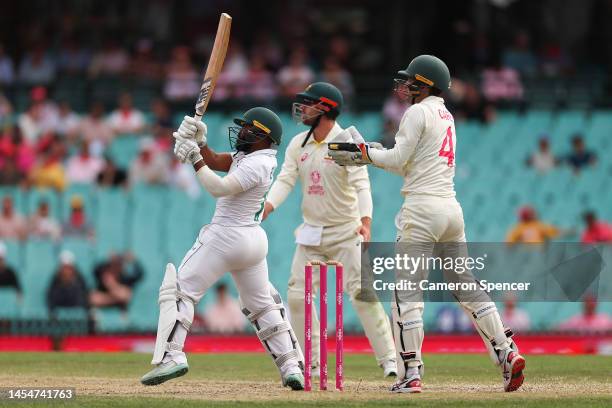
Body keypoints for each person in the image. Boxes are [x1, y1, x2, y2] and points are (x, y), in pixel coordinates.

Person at [328, 55, 525, 393]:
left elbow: (398, 159)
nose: (405, 87)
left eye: (411, 81)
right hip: (451, 209)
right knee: (466, 285)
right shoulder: (445, 115)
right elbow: (409, 164)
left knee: (406, 293)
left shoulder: (415, 112)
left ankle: (411, 373)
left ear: (426, 84)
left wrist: (364, 153)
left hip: (421, 212)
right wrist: (373, 150)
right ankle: (507, 352)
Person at [140, 107, 305, 391]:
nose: (240, 133)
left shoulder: (258, 164)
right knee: (262, 303)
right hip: (252, 242)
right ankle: (292, 367)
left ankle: (172, 355)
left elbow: (218, 187)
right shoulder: (254, 156)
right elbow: (216, 160)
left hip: (226, 236)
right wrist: (201, 145)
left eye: (246, 129)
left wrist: (193, 158)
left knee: (180, 289)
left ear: (264, 137)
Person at [262, 82, 397, 378]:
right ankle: (310, 361)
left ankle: (389, 360)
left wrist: (366, 221)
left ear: (324, 108)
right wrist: (268, 206)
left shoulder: (347, 142)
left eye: (308, 104)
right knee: (297, 295)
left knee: (362, 294)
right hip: (311, 233)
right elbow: (286, 179)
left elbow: (362, 184)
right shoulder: (299, 143)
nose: (302, 109)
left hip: (346, 231)